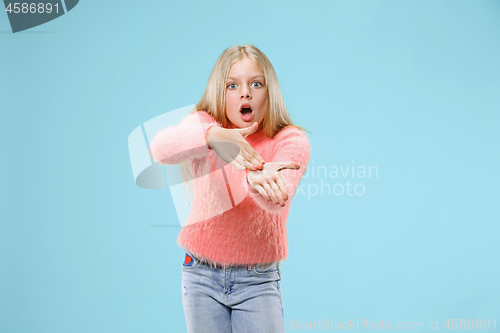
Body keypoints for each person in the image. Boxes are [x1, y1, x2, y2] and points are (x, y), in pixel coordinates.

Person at [149, 44, 311, 333]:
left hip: (257, 282)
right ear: (219, 93)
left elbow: (278, 199)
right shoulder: (205, 127)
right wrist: (212, 136)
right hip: (200, 275)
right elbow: (160, 148)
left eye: (256, 84)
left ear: (268, 92)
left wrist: (253, 179)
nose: (245, 93)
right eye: (232, 85)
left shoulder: (289, 140)